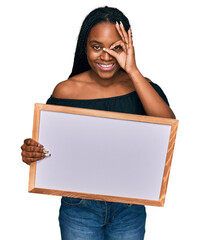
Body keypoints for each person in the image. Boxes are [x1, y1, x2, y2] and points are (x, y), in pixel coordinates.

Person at [21, 6, 176, 240]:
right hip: (79, 207)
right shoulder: (67, 90)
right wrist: (32, 153)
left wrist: (133, 70)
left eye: (116, 48)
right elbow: (49, 147)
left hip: (129, 208)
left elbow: (167, 127)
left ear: (128, 47)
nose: (106, 56)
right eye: (97, 47)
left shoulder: (142, 86)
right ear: (85, 47)